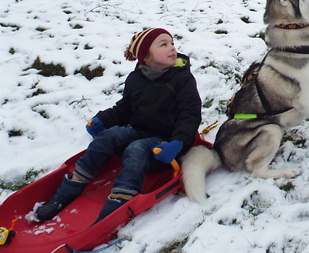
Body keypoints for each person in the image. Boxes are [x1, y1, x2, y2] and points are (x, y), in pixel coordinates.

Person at [35, 28, 202, 223]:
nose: (172, 48)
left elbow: (189, 115)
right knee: (109, 135)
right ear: (146, 57)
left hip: (165, 144)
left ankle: (120, 200)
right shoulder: (136, 79)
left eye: (172, 43)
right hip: (140, 131)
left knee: (136, 148)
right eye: (163, 45)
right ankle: (68, 190)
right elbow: (125, 109)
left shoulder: (182, 79)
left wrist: (177, 143)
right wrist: (103, 120)